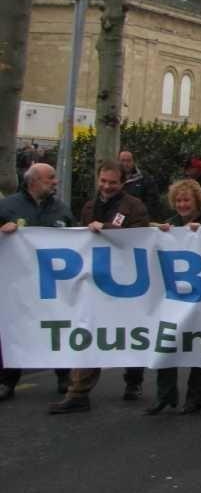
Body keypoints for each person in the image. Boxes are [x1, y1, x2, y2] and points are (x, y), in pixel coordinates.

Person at [50, 161, 150, 414]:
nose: (106, 186)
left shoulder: (134, 206)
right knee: (88, 333)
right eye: (103, 181)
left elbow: (139, 239)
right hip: (95, 281)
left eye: (112, 182)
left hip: (126, 283)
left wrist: (106, 229)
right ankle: (78, 392)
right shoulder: (89, 206)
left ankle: (134, 381)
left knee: (129, 335)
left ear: (123, 182)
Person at [147, 178, 201, 415]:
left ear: (197, 201)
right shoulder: (170, 224)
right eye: (178, 200)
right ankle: (165, 395)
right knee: (167, 342)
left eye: (186, 200)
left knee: (197, 347)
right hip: (175, 295)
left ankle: (194, 398)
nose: (182, 205)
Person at [0, 163, 75, 401]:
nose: (55, 182)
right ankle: (7, 380)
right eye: (50, 178)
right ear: (33, 181)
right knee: (14, 330)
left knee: (57, 327)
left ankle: (64, 375)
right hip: (17, 284)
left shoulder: (62, 209)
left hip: (52, 285)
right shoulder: (7, 207)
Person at [118, 149, 161, 219]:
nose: (125, 164)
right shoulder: (113, 178)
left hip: (140, 219)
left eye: (129, 160)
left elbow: (153, 201)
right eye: (123, 160)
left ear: (133, 161)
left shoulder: (145, 178)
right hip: (118, 219)